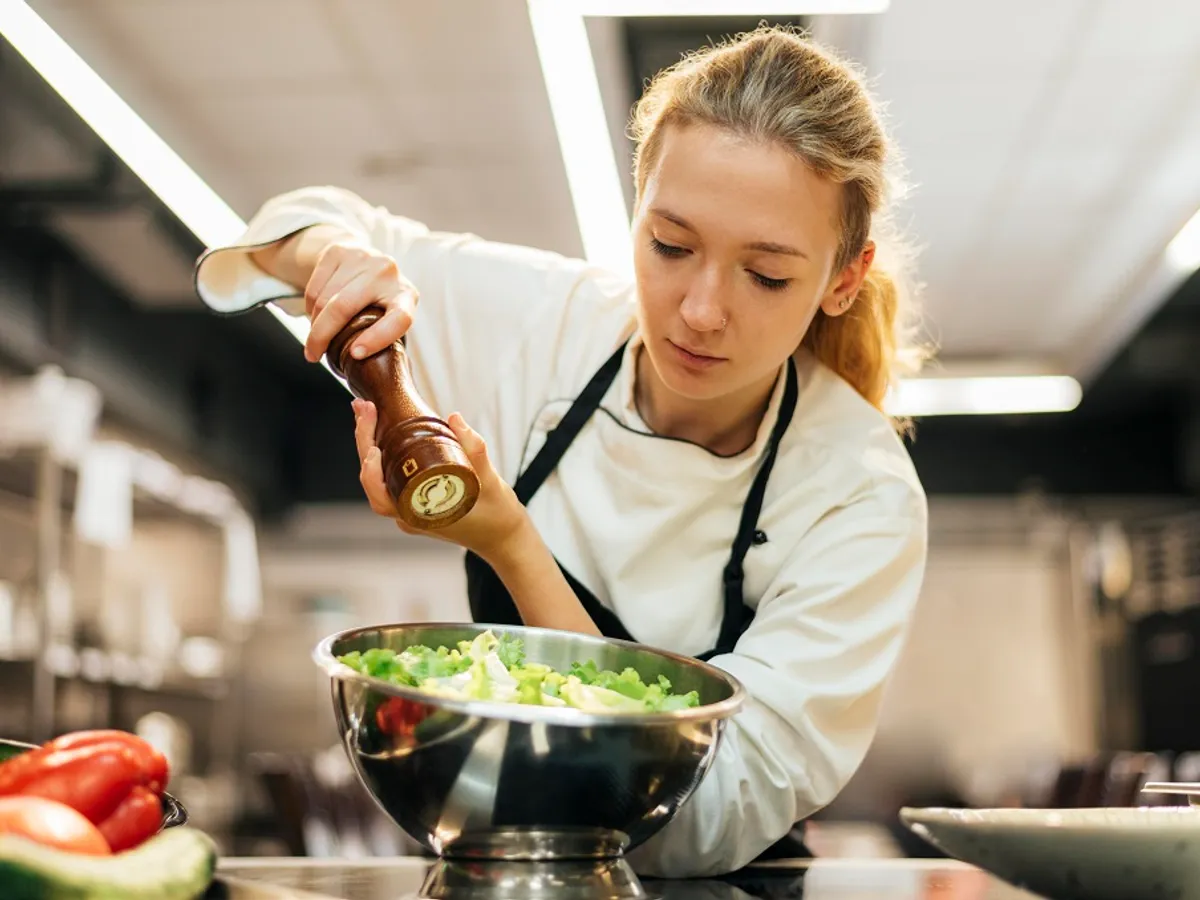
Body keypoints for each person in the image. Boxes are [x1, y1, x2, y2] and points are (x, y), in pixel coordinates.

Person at [194, 25, 930, 877]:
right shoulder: (544, 326)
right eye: (670, 244)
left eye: (765, 275)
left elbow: (707, 821)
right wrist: (336, 261)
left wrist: (507, 541)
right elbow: (296, 224)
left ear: (844, 277)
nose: (698, 309)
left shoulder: (858, 488)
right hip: (491, 864)